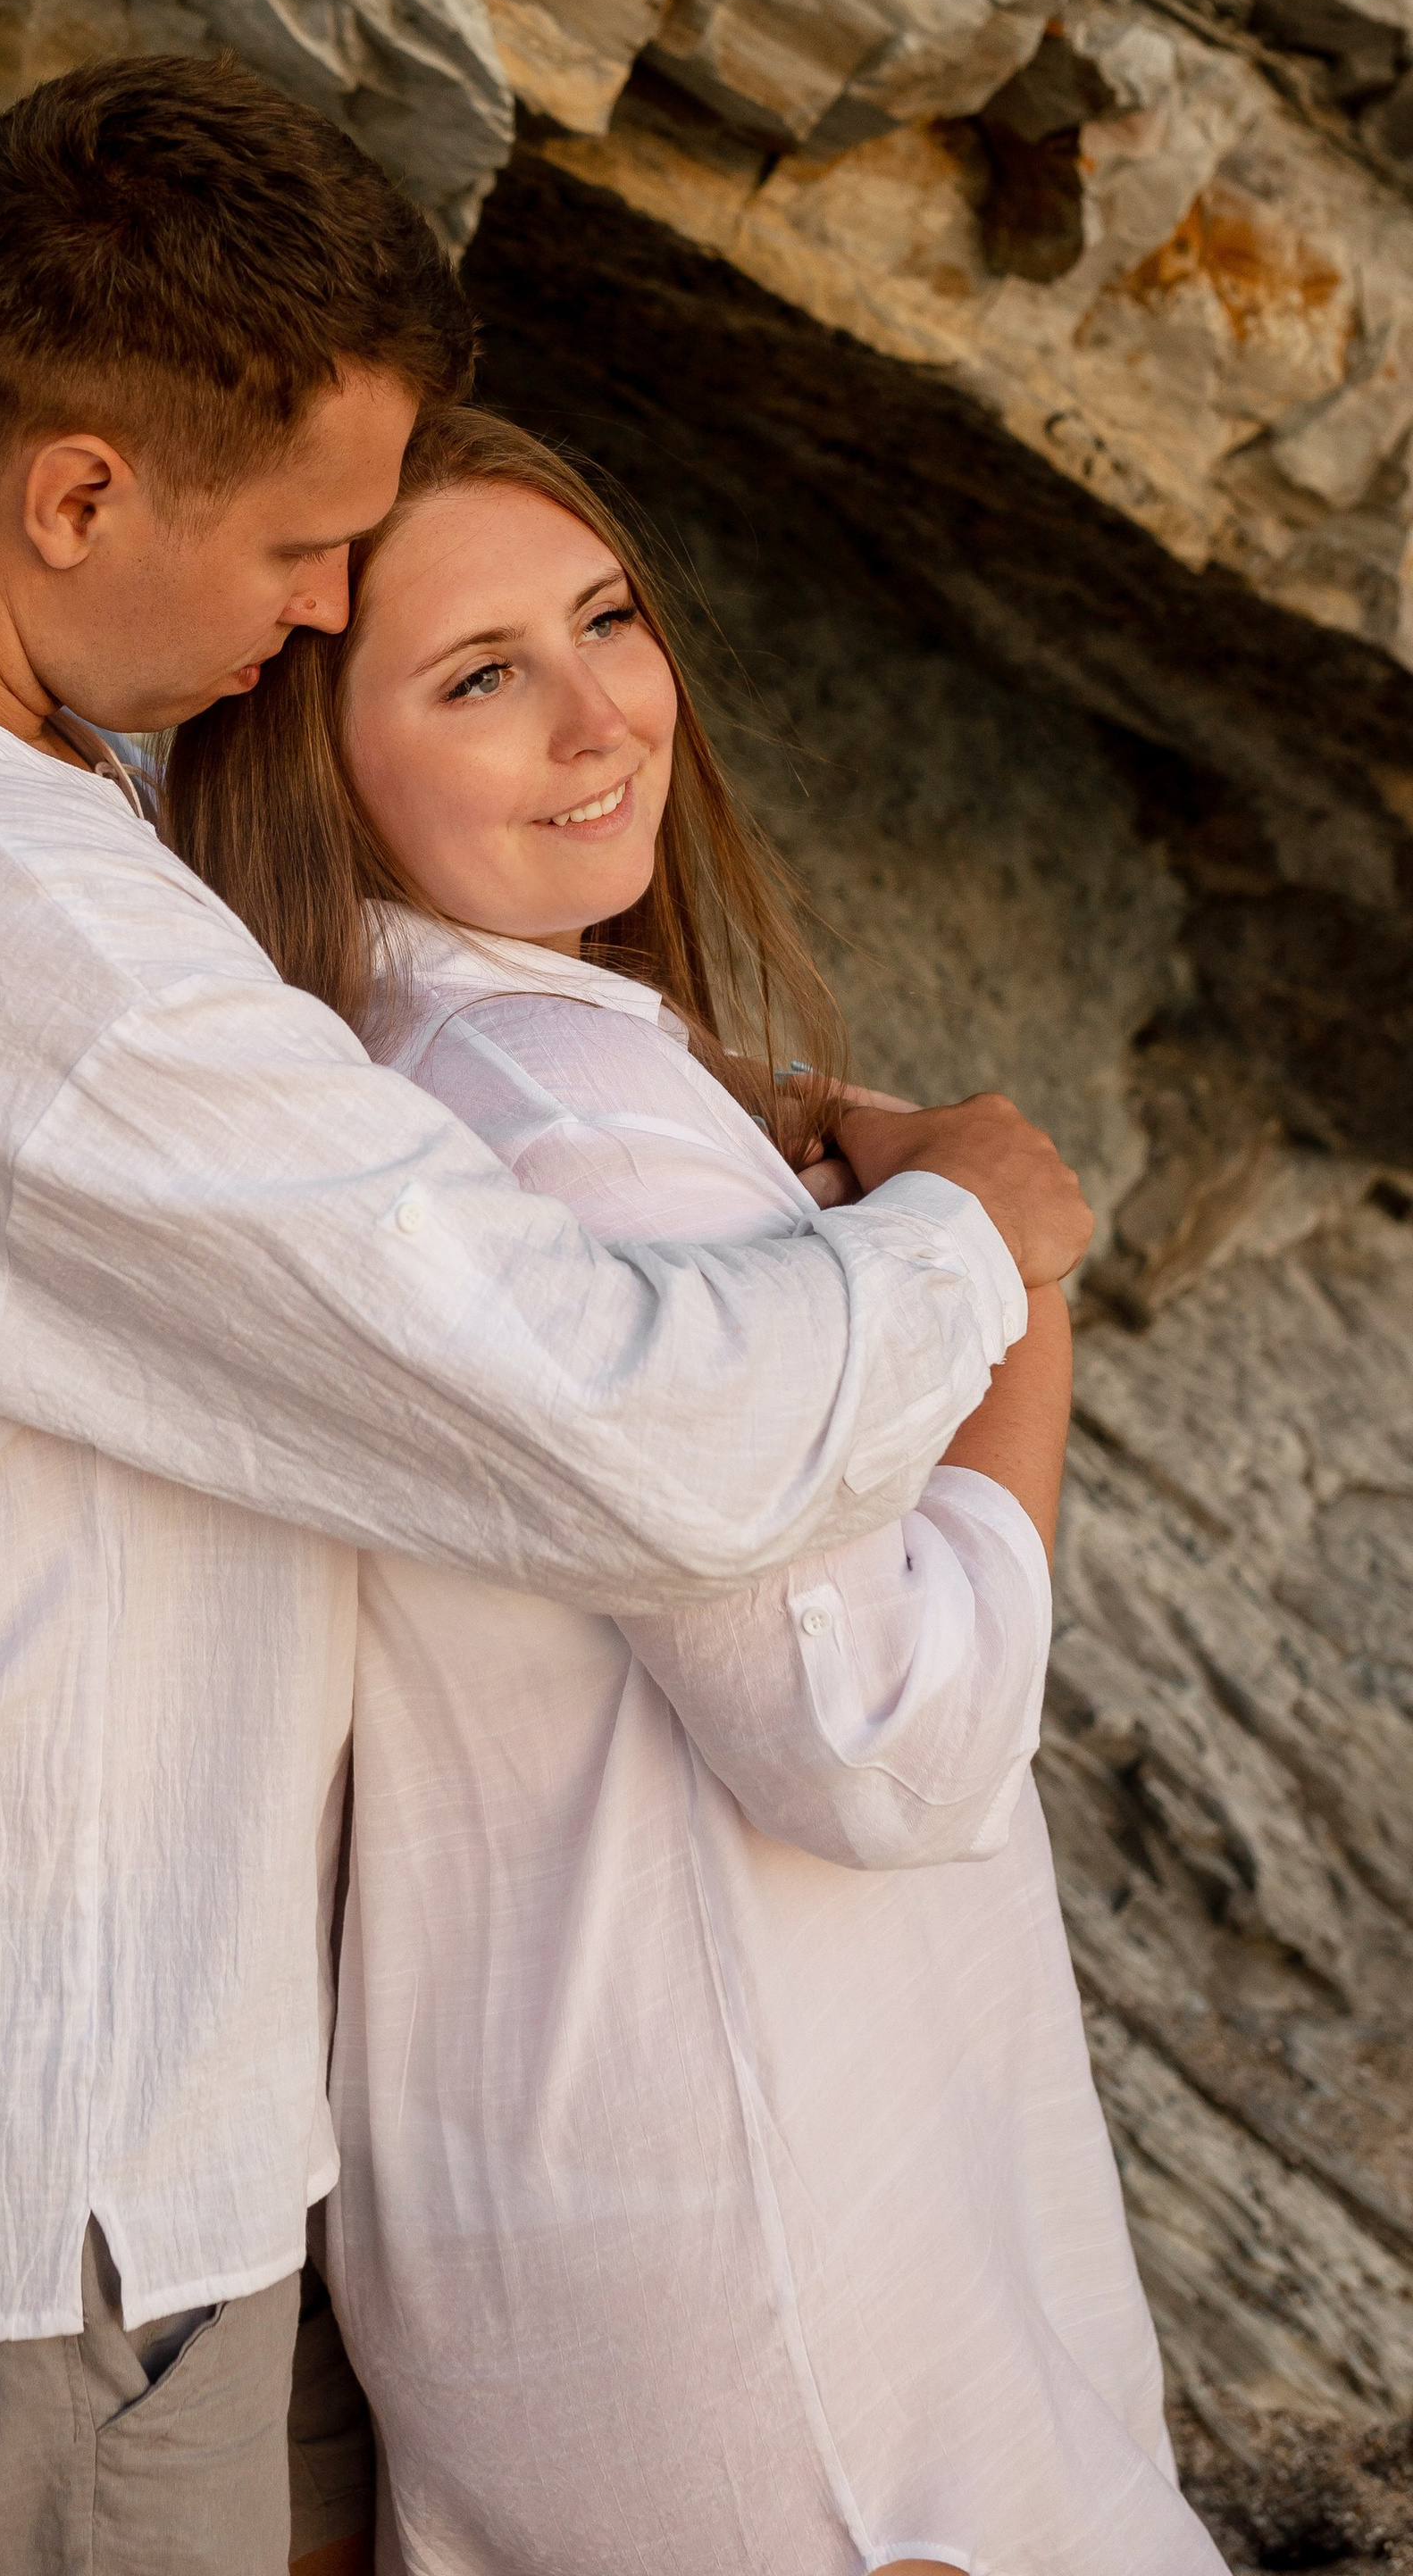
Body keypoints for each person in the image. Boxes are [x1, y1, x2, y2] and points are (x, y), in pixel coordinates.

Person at [0, 55, 1092, 2576]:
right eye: (310, 552)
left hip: (41, 2099)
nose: (318, 615)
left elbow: (292, 1065)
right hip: (35, 2190)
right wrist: (974, 1236)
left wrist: (685, 1073)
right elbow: (652, 1441)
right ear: (75, 487)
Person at [166, 402, 1224, 2576]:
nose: (598, 718)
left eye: (604, 620)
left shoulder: (367, 1070)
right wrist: (1009, 1279)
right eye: (478, 677)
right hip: (770, 2234)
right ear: (309, 759)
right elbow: (873, 1736)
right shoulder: (577, 1129)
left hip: (557, 2182)